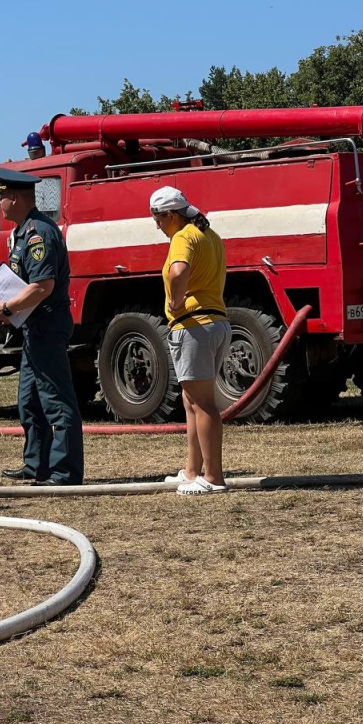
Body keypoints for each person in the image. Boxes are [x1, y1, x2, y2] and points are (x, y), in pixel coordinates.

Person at [0, 168, 84, 486]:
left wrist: (6, 307)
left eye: (1, 196)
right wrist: (10, 309)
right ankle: (37, 465)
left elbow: (42, 286)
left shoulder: (39, 233)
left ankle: (64, 472)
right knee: (29, 400)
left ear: (14, 198)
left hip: (46, 326)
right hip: (32, 328)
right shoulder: (25, 230)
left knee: (56, 400)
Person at [150, 186, 232, 495]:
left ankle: (212, 477)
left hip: (194, 325)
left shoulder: (183, 237)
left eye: (157, 219)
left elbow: (178, 271)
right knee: (192, 401)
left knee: (203, 403)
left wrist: (176, 301)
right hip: (217, 323)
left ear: (171, 215)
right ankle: (192, 471)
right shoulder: (209, 236)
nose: (157, 226)